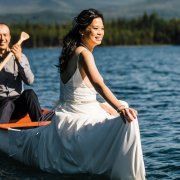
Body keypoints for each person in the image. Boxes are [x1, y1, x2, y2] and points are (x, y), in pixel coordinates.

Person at [5, 9, 145, 180]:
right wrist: (120, 108)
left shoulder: (71, 52)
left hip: (71, 111)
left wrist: (102, 105)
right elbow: (98, 84)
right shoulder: (84, 54)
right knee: (128, 117)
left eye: (102, 28)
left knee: (118, 109)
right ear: (82, 30)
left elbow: (76, 93)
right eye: (95, 28)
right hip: (77, 117)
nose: (100, 32)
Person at [0, 23, 42, 123]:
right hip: (1, 104)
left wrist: (19, 59)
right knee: (7, 104)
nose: (2, 38)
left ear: (9, 38)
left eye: (5, 35)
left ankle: (41, 128)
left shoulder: (20, 57)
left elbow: (30, 81)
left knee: (30, 94)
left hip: (17, 104)